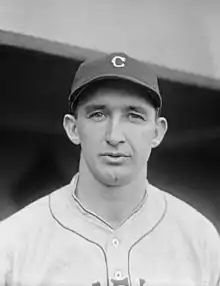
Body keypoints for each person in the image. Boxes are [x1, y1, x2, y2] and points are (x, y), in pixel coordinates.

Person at [0, 52, 220, 286]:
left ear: (157, 132)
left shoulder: (199, 237)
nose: (114, 136)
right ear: (73, 128)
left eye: (134, 116)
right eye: (98, 114)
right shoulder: (14, 241)